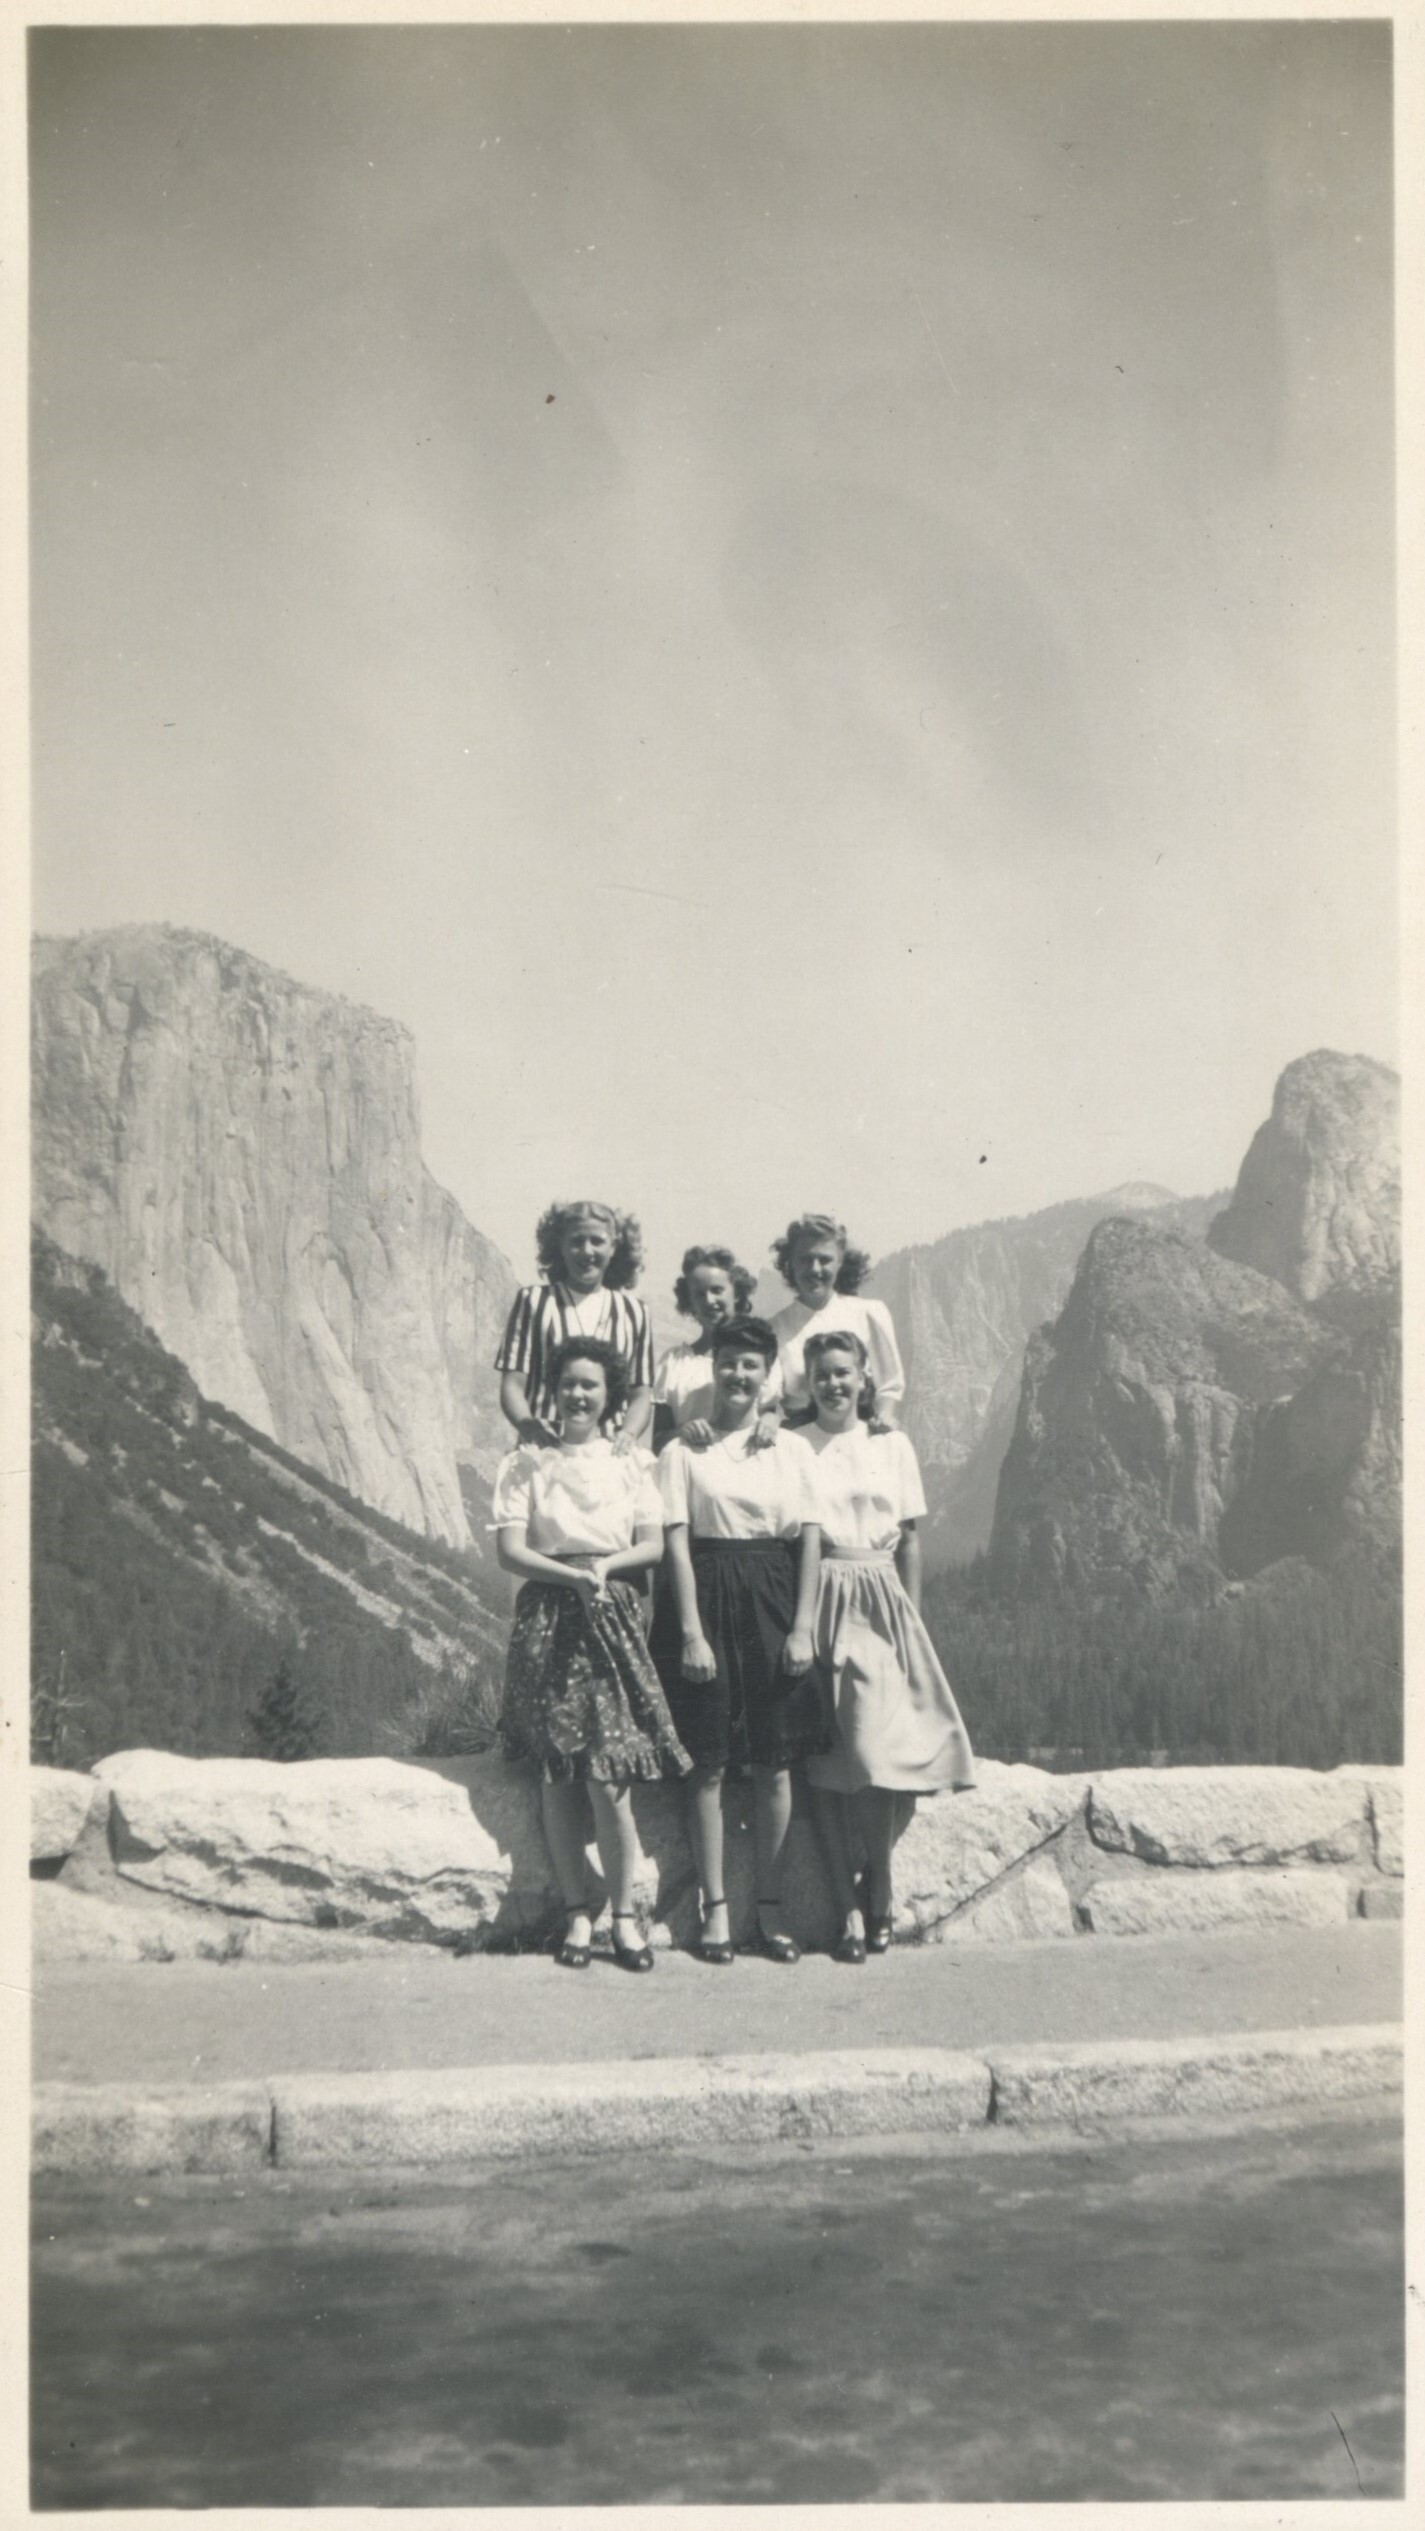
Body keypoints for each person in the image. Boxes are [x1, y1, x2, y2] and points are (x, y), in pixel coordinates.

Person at [493, 1335, 690, 1972]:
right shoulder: (527, 1462)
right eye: (569, 1383)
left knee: (610, 1778)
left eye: (592, 1386)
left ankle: (625, 1921)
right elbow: (511, 1552)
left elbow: (653, 1545)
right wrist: (568, 1575)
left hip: (612, 1616)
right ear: (553, 1390)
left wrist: (603, 1567)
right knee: (559, 1774)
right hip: (552, 1615)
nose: (579, 1395)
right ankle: (578, 1915)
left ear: (610, 1397)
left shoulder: (632, 1463)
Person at [651, 1316, 829, 1967]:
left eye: (751, 1365)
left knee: (774, 1762)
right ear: (713, 1368)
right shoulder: (683, 1451)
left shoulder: (792, 1451)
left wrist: (803, 1624)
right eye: (728, 1362)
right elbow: (673, 1541)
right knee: (708, 1762)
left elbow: (808, 1537)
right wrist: (691, 1631)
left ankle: (772, 1907)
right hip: (703, 1595)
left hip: (774, 1598)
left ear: (767, 1374)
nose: (737, 1375)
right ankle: (715, 1908)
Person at [796, 1327, 976, 1962]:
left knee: (877, 1759)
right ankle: (847, 1907)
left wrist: (913, 1619)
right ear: (807, 1380)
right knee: (821, 1760)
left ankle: (881, 1888)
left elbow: (911, 1537)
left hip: (880, 1598)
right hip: (818, 1593)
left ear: (864, 1376)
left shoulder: (892, 1445)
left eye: (844, 1372)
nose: (833, 1384)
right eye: (822, 1374)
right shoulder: (795, 1446)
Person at [495, 1200, 655, 1450]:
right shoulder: (534, 1301)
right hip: (544, 1447)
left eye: (597, 1241)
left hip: (608, 1451)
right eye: (577, 1241)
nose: (587, 1251)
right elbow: (513, 1383)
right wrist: (529, 1427)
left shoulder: (634, 1312)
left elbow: (641, 1393)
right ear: (560, 1245)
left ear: (613, 1247)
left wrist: (629, 1433)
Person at [768, 1212, 905, 1427]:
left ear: (840, 1262)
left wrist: (884, 1417)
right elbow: (769, 1398)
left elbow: (889, 1385)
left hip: (862, 1431)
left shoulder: (869, 1313)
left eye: (825, 1260)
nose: (815, 1269)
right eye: (805, 1259)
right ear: (791, 1263)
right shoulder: (775, 1328)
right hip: (801, 1439)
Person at [652, 1244, 783, 1447]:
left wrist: (770, 1420)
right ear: (689, 1301)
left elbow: (771, 1414)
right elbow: (658, 1441)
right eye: (699, 1294)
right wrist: (682, 1432)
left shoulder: (757, 1355)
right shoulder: (675, 1362)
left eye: (717, 1290)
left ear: (737, 1293)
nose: (709, 1300)